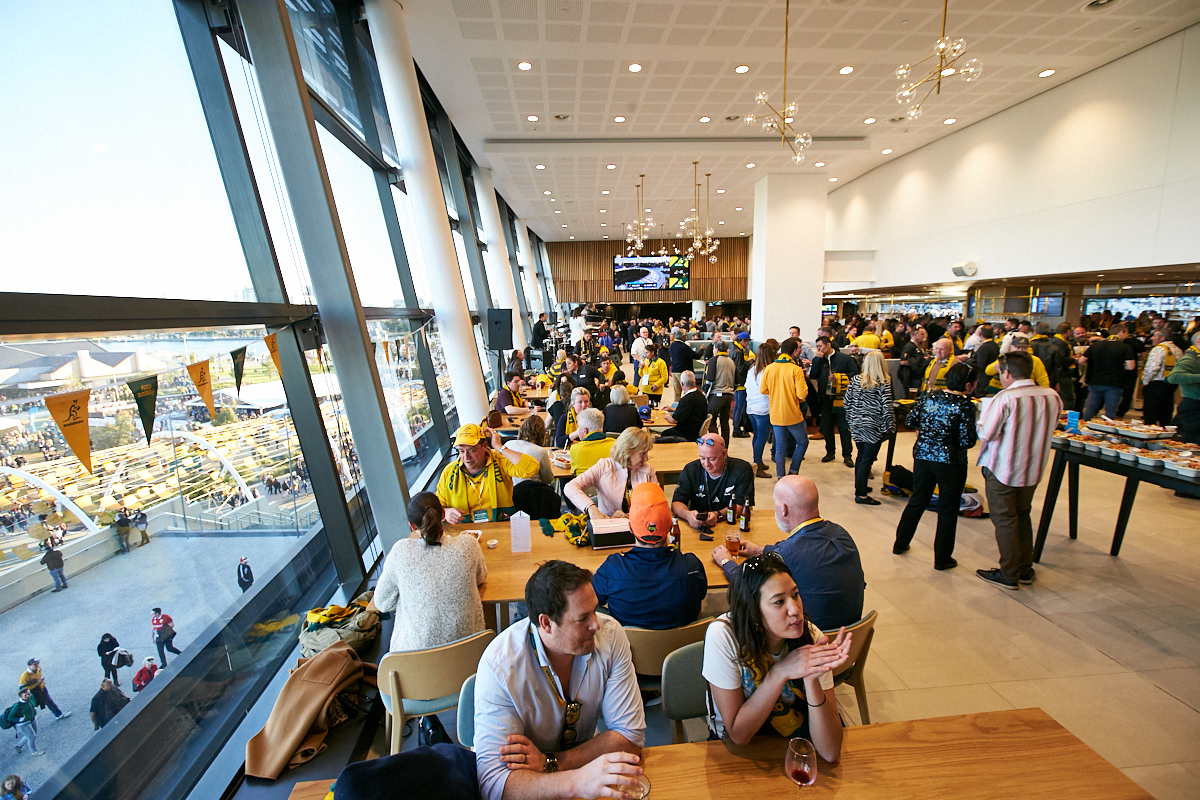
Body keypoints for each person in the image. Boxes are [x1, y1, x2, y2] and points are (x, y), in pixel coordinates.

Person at [473, 561, 646, 800]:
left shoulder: (610, 635)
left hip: (576, 780)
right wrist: (577, 781)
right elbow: (495, 786)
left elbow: (630, 738)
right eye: (582, 618)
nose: (596, 624)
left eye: (595, 610)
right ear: (546, 623)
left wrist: (551, 762)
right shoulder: (501, 665)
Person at [702, 553, 850, 756]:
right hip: (740, 751)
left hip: (793, 743)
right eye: (779, 602)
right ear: (753, 610)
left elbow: (830, 751)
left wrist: (811, 678)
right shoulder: (724, 635)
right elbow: (739, 735)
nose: (795, 610)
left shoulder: (811, 636)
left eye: (795, 595)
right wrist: (779, 672)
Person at [710, 476, 865, 630]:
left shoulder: (787, 553)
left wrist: (726, 561)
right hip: (850, 638)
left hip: (810, 640)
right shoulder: (841, 533)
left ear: (783, 509)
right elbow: (805, 548)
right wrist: (760, 549)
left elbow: (743, 580)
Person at [975, 352, 1063, 590]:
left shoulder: (1006, 398)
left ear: (1006, 372)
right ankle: (1025, 568)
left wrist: (981, 418)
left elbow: (986, 434)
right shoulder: (1051, 396)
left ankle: (1009, 572)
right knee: (1023, 515)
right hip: (1033, 467)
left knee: (1004, 519)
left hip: (1003, 467)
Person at [371, 492, 488, 652]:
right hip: (471, 659)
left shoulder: (401, 551)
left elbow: (383, 602)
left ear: (412, 525)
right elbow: (480, 578)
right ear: (442, 515)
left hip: (413, 664)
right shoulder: (468, 544)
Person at [893, 363, 979, 570]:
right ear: (968, 384)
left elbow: (911, 419)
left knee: (918, 500)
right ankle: (942, 558)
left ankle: (900, 543)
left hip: (923, 455)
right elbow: (968, 440)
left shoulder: (929, 396)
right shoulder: (965, 405)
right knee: (948, 509)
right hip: (951, 461)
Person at [591, 483, 707, 629]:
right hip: (684, 649)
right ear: (671, 526)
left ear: (631, 528)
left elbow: (593, 599)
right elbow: (700, 594)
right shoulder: (692, 567)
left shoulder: (612, 569)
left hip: (630, 649)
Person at [437, 423, 541, 522]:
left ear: (485, 446)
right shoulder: (449, 472)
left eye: (472, 450)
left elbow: (532, 468)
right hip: (464, 531)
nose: (466, 457)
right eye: (461, 451)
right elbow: (436, 507)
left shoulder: (500, 461)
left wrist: (500, 447)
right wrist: (445, 512)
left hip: (498, 527)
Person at [565, 428, 658, 518]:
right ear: (628, 450)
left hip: (640, 524)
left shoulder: (648, 470)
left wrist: (629, 517)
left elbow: (657, 503)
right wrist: (591, 508)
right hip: (608, 524)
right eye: (642, 453)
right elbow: (570, 487)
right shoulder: (604, 466)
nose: (646, 458)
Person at [671, 434, 756, 529]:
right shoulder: (691, 470)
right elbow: (676, 503)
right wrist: (687, 515)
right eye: (702, 458)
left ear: (724, 454)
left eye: (712, 459)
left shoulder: (742, 470)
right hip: (698, 528)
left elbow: (742, 506)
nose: (706, 464)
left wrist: (718, 515)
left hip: (730, 526)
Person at [843, 350, 894, 505]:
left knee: (861, 455)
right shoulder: (883, 382)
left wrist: (852, 418)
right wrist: (890, 427)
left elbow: (846, 402)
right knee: (868, 459)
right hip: (873, 425)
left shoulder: (855, 380)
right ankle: (861, 494)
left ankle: (860, 485)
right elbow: (887, 407)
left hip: (856, 423)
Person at [759, 338, 811, 478]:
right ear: (794, 351)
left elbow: (763, 390)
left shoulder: (769, 368)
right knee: (802, 442)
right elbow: (801, 394)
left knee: (780, 447)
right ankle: (793, 471)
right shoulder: (796, 370)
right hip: (793, 414)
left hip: (775, 413)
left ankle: (780, 477)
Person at [811, 337, 858, 467]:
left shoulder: (844, 358)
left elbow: (855, 373)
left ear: (829, 345)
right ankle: (830, 452)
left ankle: (847, 455)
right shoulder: (820, 360)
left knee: (844, 427)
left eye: (821, 346)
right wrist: (817, 360)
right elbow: (814, 375)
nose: (819, 349)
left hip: (841, 398)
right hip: (825, 398)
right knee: (827, 426)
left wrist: (839, 377)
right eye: (817, 347)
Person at [1078, 324, 1136, 419]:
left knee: (1090, 408)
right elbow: (1131, 366)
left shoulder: (1095, 345)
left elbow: (1081, 361)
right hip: (1115, 382)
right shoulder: (1125, 347)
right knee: (1110, 410)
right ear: (1122, 331)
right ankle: (1107, 430)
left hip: (1095, 381)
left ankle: (1085, 426)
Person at [745, 342, 775, 479]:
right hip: (763, 409)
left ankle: (758, 461)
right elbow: (768, 391)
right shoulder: (767, 371)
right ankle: (757, 465)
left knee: (757, 436)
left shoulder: (752, 369)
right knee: (761, 438)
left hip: (751, 407)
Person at [1142, 328, 1183, 427]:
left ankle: (1150, 432)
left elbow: (1153, 367)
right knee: (1166, 411)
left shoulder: (1158, 349)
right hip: (1171, 384)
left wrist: (1145, 381)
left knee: (1150, 412)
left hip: (1156, 383)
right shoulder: (1178, 349)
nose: (1152, 338)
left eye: (1154, 336)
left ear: (1162, 338)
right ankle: (1165, 431)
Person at [504, 415, 555, 485]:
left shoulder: (508, 445)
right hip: (533, 491)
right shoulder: (541, 452)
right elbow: (548, 479)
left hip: (511, 491)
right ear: (542, 433)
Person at [1168, 330, 1200, 444]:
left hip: (1194, 406)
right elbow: (1173, 377)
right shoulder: (1190, 359)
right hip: (1192, 407)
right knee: (1187, 440)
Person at [702, 340, 737, 442]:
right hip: (729, 395)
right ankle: (725, 446)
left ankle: (715, 444)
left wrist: (705, 393)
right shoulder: (731, 361)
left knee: (711, 421)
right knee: (725, 423)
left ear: (716, 349)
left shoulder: (714, 360)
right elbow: (737, 380)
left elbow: (710, 379)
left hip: (717, 395)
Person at [569, 409, 613, 475]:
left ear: (585, 430)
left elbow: (573, 472)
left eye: (578, 427)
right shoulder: (616, 445)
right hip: (611, 485)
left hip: (585, 485)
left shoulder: (575, 449)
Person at [8, 688, 42, 756]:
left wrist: (34, 711)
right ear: (21, 696)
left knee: (31, 735)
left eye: (28, 694)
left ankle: (18, 745)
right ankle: (34, 751)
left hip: (32, 720)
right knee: (32, 736)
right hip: (23, 724)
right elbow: (10, 717)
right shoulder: (17, 705)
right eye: (25, 695)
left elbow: (33, 705)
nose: (28, 696)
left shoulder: (29, 700)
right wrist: (21, 719)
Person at [899, 326, 929, 395]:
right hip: (911, 377)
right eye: (922, 334)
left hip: (918, 375)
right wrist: (917, 362)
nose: (923, 336)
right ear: (915, 334)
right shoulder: (909, 346)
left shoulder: (919, 346)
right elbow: (903, 361)